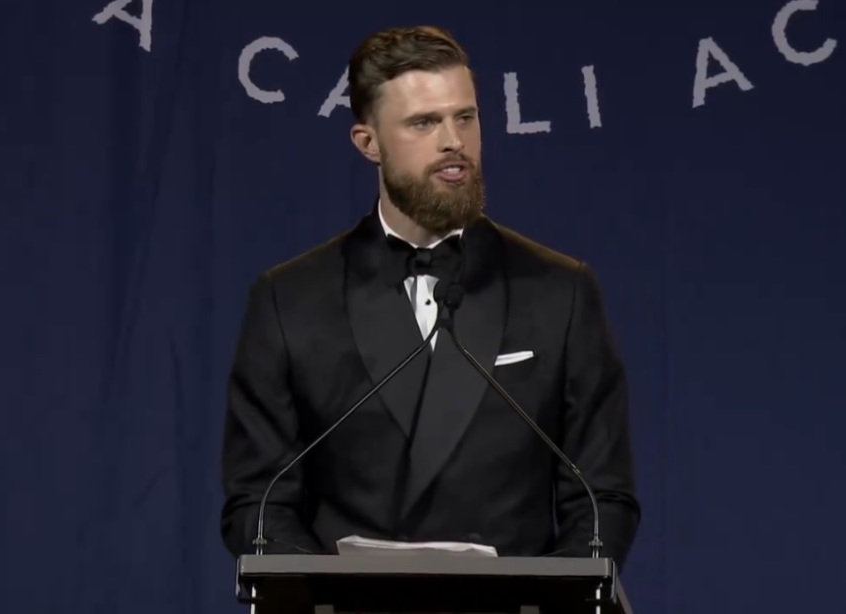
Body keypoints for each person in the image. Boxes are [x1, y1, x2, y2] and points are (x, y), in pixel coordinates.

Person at [220, 25, 641, 570]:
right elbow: (257, 503)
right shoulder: (290, 300)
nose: (454, 142)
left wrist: (551, 600)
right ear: (368, 143)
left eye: (465, 117)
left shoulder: (560, 291)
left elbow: (602, 496)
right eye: (424, 122)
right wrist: (331, 597)